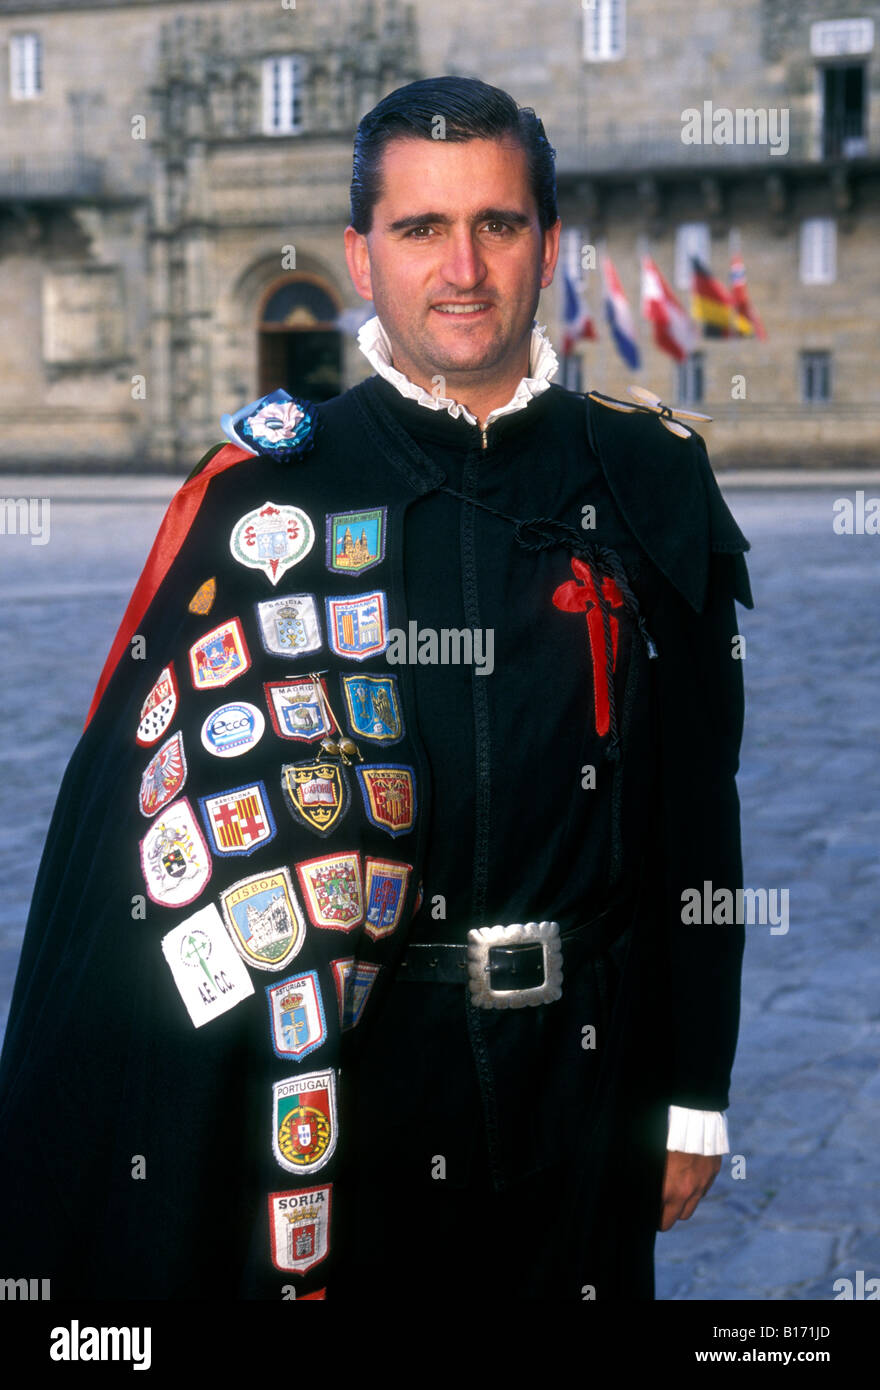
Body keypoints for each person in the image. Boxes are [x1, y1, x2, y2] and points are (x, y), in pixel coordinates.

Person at [0, 76, 752, 1301]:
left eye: (497, 224)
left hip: (590, 1082)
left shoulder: (648, 478)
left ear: (547, 244)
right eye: (419, 229)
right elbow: (138, 855)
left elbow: (695, 811)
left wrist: (694, 1088)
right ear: (362, 253)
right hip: (357, 1094)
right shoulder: (264, 493)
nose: (462, 268)